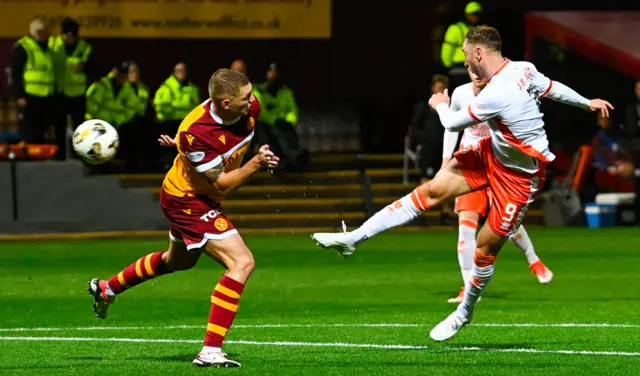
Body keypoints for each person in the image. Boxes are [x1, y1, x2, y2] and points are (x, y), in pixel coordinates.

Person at [312, 25, 612, 342]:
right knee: (430, 192)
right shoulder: (523, 70)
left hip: (520, 177)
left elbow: (452, 122)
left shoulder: (498, 93)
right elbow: (551, 87)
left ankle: (464, 311)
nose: (466, 65)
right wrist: (586, 101)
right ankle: (354, 239)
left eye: (468, 58)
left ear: (479, 53)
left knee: (485, 247)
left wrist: (439, 102)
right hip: (490, 155)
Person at [87, 68, 278, 368]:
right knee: (242, 262)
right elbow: (223, 185)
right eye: (245, 96)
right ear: (225, 103)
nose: (252, 100)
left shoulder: (247, 108)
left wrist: (182, 147)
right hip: (187, 199)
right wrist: (255, 163)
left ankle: (107, 288)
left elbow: (223, 145)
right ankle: (210, 351)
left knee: (176, 262)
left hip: (196, 193)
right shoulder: (197, 133)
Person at [442, 66, 552, 304]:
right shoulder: (461, 94)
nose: (476, 73)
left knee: (505, 224)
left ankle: (534, 261)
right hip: (471, 166)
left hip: (498, 165)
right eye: (471, 68)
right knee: (465, 230)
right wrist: (445, 161)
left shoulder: (502, 92)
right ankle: (468, 288)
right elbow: (451, 128)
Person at [9, 19, 57, 151]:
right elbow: (15, 74)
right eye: (42, 32)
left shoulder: (47, 48)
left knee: (42, 134)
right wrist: (19, 95)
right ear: (35, 33)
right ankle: (29, 164)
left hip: (45, 97)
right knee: (29, 134)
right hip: (29, 98)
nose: (46, 34)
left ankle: (40, 165)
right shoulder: (23, 47)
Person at [85, 62, 139, 171]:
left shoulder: (127, 88)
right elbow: (92, 105)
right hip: (101, 121)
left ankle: (131, 166)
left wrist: (120, 120)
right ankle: (101, 165)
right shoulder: (102, 85)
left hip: (118, 122)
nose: (122, 78)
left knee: (133, 130)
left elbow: (132, 108)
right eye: (121, 75)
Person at [252, 63, 307, 171]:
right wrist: (273, 122)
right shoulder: (257, 91)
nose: (273, 75)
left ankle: (293, 158)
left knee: (284, 130)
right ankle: (293, 156)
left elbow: (292, 111)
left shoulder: (285, 92)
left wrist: (287, 121)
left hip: (282, 126)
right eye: (270, 72)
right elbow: (259, 112)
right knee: (271, 131)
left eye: (275, 72)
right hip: (264, 128)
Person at [49, 17, 93, 138]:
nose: (69, 39)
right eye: (67, 36)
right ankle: (59, 154)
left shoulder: (84, 47)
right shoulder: (53, 44)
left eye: (72, 36)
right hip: (59, 91)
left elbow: (94, 66)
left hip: (77, 93)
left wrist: (83, 67)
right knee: (59, 124)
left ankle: (79, 152)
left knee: (79, 126)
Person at [153, 62, 201, 170]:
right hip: (169, 121)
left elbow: (196, 108)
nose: (181, 73)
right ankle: (167, 164)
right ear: (174, 72)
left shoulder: (193, 88)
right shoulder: (167, 87)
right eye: (179, 71)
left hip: (186, 122)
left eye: (184, 71)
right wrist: (183, 108)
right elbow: (162, 106)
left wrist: (177, 107)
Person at [410, 74, 449, 181]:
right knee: (427, 179)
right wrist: (425, 140)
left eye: (444, 88)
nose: (441, 90)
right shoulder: (423, 107)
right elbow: (415, 126)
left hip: (444, 151)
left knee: (442, 180)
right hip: (429, 150)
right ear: (433, 88)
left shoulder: (449, 108)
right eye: (439, 87)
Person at [441, 2, 483, 89]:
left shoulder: (477, 29)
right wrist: (448, 67)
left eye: (477, 14)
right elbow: (447, 49)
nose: (475, 16)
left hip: (473, 69)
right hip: (458, 68)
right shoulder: (456, 28)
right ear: (466, 15)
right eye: (473, 14)